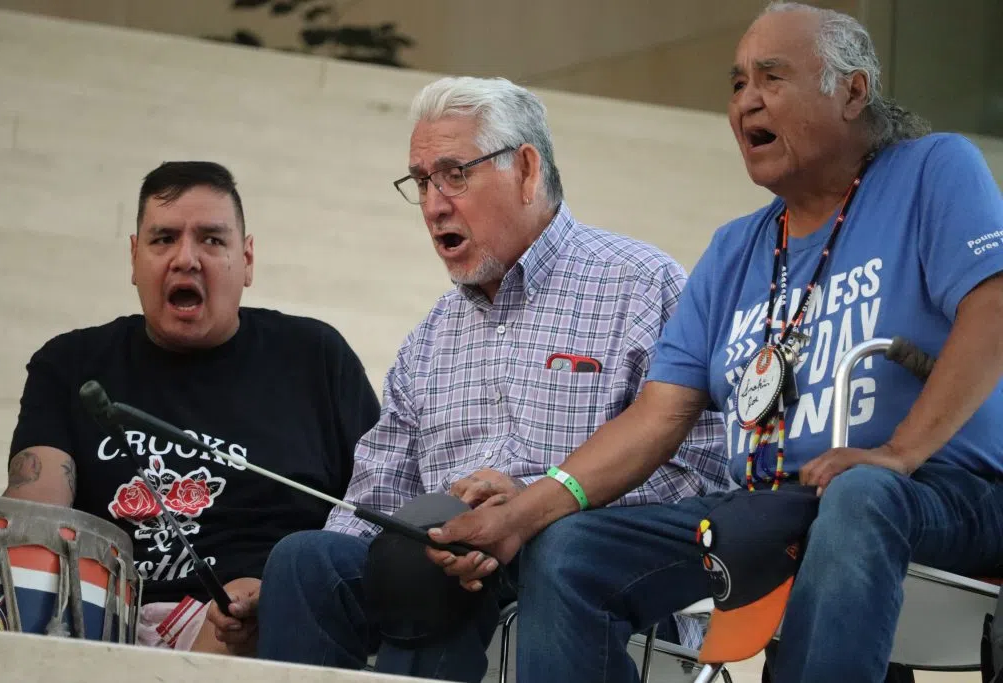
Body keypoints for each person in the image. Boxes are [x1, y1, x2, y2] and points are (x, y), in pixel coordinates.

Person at [427, 4, 1003, 683]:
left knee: (860, 495)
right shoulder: (735, 250)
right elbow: (654, 418)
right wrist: (523, 515)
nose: (746, 101)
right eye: (736, 84)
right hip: (771, 506)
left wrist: (897, 453)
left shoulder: (933, 171)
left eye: (772, 76)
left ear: (853, 91)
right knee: (571, 549)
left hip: (942, 491)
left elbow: (992, 308)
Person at [253, 76, 730, 681]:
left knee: (473, 573)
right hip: (443, 577)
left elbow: (703, 470)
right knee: (306, 561)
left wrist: (533, 508)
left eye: (455, 174)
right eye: (421, 181)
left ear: (527, 169)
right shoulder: (429, 340)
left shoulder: (639, 285)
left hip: (582, 569)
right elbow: (370, 500)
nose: (432, 205)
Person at [4, 161, 380, 654]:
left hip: (260, 625)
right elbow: (36, 517)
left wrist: (283, 591)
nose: (186, 258)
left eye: (212, 240)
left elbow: (379, 509)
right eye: (163, 239)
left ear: (247, 261)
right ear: (134, 257)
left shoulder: (316, 358)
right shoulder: (72, 363)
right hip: (100, 623)